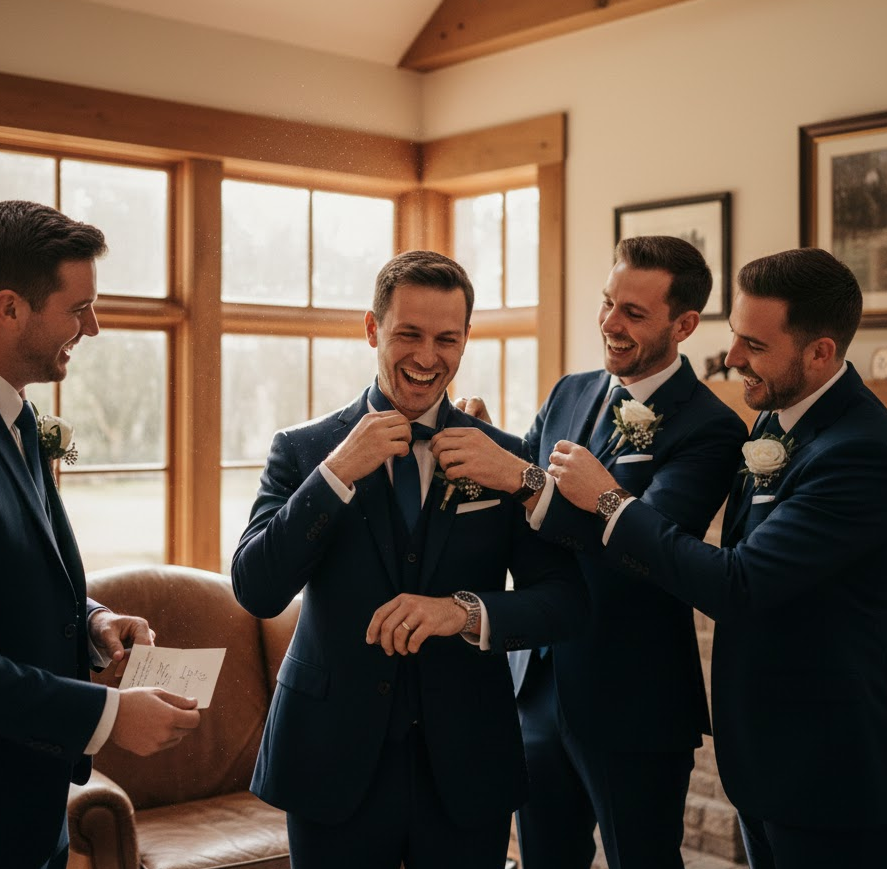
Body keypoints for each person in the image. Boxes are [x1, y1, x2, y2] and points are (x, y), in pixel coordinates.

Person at [231, 249, 588, 869]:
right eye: (409, 335)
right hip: (330, 754)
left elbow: (564, 601)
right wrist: (338, 472)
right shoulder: (304, 450)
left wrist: (464, 612)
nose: (428, 358)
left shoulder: (503, 457)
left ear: (467, 339)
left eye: (447, 338)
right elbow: (256, 588)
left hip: (468, 757)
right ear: (372, 330)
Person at [548, 248, 887, 868]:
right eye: (735, 337)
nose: (730, 359)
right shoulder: (774, 423)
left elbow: (740, 582)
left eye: (753, 346)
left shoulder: (859, 451)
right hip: (763, 756)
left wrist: (611, 502)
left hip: (827, 764)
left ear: (821, 354)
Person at [435, 235, 747, 869]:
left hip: (632, 692)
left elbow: (648, 550)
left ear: (683, 324)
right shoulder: (569, 391)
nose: (610, 322)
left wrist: (523, 479)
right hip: (537, 680)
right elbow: (520, 488)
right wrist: (480, 432)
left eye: (634, 312)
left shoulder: (712, 428)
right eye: (608, 302)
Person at [0, 200, 202, 869]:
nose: (94, 326)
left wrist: (93, 620)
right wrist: (107, 715)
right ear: (9, 309)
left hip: (31, 819)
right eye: (78, 307)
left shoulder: (22, 420)